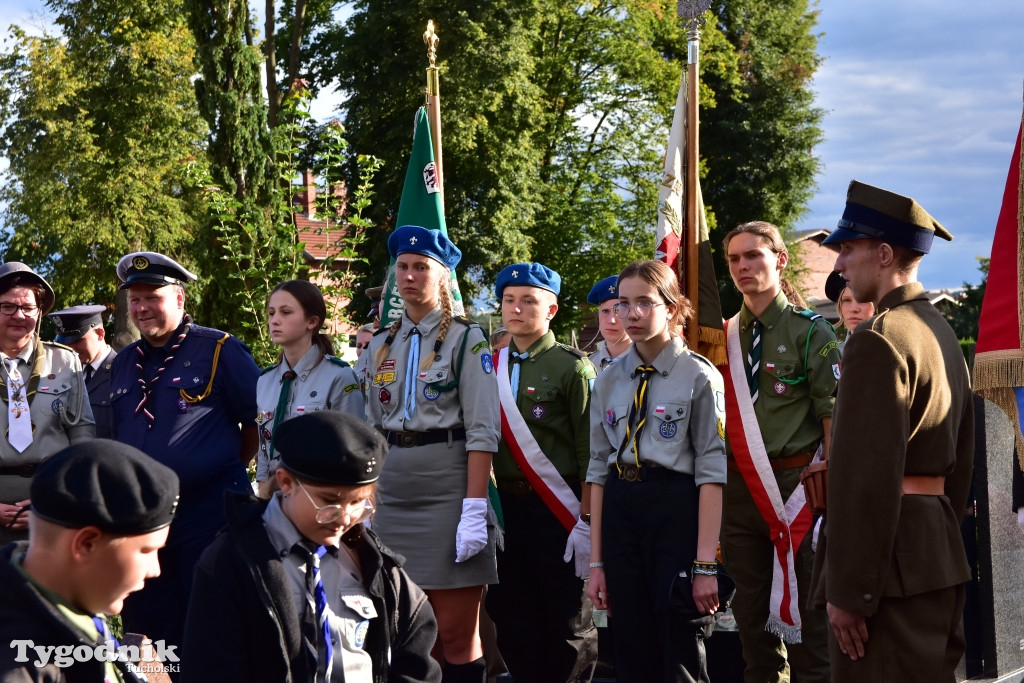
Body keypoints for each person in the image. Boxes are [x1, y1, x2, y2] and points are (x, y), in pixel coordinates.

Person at [810, 180, 973, 682]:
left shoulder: (877, 340)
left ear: (884, 253)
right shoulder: (939, 331)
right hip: (933, 553)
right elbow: (961, 462)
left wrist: (850, 591)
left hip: (883, 575)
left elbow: (863, 477)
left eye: (848, 249)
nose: (839, 264)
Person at [182, 410, 442, 683]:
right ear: (286, 482)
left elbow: (415, 654)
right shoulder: (231, 564)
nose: (344, 518)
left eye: (358, 503)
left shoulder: (374, 564)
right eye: (329, 501)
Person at [109, 251, 260, 659]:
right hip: (145, 518)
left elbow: (256, 423)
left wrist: (215, 466)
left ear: (179, 299)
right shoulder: (123, 363)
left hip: (208, 512)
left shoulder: (219, 350)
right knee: (152, 628)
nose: (141, 308)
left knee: (214, 621)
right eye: (134, 300)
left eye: (152, 297)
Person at [365, 225, 498, 683]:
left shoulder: (467, 339)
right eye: (402, 267)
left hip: (448, 493)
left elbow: (483, 431)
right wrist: (364, 502)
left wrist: (474, 508)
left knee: (455, 637)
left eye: (421, 267)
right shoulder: (381, 343)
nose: (408, 276)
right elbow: (368, 429)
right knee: (399, 634)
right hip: (390, 494)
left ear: (442, 277)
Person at [586, 260, 726, 682]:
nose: (631, 314)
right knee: (630, 644)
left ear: (672, 307)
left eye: (645, 302)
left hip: (675, 508)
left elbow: (712, 472)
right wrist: (596, 564)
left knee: (680, 640)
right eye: (623, 303)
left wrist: (705, 565)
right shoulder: (608, 379)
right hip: (622, 509)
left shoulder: (699, 375)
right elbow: (597, 467)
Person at [720, 221, 840, 683]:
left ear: (780, 259)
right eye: (734, 259)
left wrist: (828, 489)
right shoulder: (720, 337)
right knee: (752, 624)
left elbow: (832, 417)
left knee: (812, 622)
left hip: (799, 489)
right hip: (738, 489)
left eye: (754, 255)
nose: (743, 266)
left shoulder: (813, 332)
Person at [486, 262, 599, 683]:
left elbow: (591, 451)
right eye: (509, 300)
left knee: (568, 622)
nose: (516, 309)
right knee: (512, 615)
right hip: (506, 510)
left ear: (551, 310)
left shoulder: (573, 367)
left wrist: (587, 522)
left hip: (560, 509)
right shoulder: (488, 364)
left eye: (529, 300)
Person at [0, 438, 180, 682]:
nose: (154, 570)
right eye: (146, 551)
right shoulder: (20, 668)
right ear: (86, 545)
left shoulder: (67, 599)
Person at [0, 263, 95, 545]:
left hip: (52, 504)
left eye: (28, 308)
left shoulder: (65, 361)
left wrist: (59, 496)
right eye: (7, 307)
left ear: (39, 312)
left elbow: (82, 437)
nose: (19, 315)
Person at [255, 280, 363, 498]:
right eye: (271, 313)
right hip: (274, 499)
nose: (274, 320)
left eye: (285, 312)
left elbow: (353, 450)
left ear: (312, 321)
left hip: (320, 497)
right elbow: (264, 449)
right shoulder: (265, 380)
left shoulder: (339, 376)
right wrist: (262, 493)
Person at [49, 304, 117, 438]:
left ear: (100, 334)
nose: (71, 349)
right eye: (66, 344)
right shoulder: (66, 375)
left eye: (77, 340)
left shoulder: (123, 370)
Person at [585, 275, 631, 372]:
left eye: (619, 311)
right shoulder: (586, 366)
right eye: (605, 311)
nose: (611, 320)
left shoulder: (648, 362)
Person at [823, 271, 874, 348]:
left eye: (862, 300)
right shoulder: (835, 354)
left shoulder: (890, 350)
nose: (853, 309)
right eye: (847, 300)